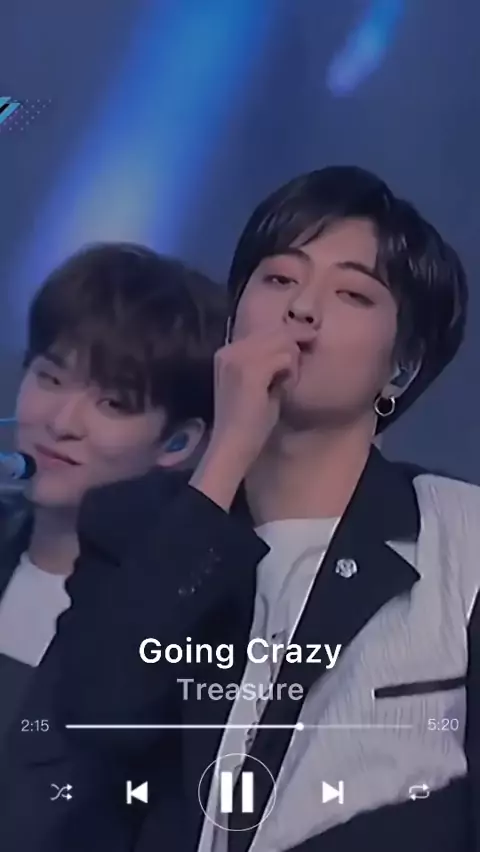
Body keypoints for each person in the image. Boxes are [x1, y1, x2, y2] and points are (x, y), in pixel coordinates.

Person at [54, 166, 478, 852]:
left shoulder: (461, 537)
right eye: (279, 279)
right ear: (233, 319)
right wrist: (227, 452)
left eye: (351, 293)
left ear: (401, 367)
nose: (302, 308)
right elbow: (96, 718)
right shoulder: (136, 525)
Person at [0, 242, 226, 851]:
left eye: (113, 403)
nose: (62, 422)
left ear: (178, 443)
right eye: (50, 378)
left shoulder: (178, 632)